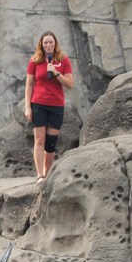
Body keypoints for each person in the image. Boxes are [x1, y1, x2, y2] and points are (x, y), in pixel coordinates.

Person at [24, 31, 74, 184]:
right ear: (41, 44)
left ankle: (47, 173)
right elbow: (29, 84)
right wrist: (28, 106)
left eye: (51, 42)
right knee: (39, 139)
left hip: (56, 105)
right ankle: (40, 175)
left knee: (51, 143)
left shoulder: (63, 60)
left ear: (55, 44)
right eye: (45, 43)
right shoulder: (35, 61)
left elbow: (70, 84)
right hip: (38, 104)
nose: (48, 45)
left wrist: (56, 72)